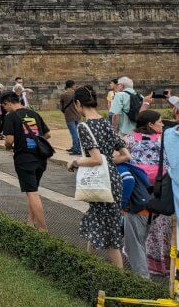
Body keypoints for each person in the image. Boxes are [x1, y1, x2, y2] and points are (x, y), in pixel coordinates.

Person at [66, 85, 131, 268]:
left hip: (101, 182)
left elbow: (94, 159)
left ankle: (120, 276)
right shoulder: (105, 122)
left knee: (109, 231)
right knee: (99, 220)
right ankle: (88, 264)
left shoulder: (84, 126)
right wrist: (108, 163)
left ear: (78, 103)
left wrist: (75, 162)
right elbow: (126, 155)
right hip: (113, 179)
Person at [121, 110, 170, 279]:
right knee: (157, 232)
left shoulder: (128, 139)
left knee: (135, 238)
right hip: (159, 195)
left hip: (136, 195)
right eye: (160, 122)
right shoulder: (165, 141)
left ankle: (142, 278)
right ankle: (160, 266)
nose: (162, 124)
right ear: (150, 124)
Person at [1, 90, 51, 231]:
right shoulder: (34, 113)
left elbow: (9, 140)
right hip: (40, 158)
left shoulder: (11, 116)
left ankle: (42, 228)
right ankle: (30, 221)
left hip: (24, 158)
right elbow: (48, 134)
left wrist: (7, 146)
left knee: (32, 192)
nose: (4, 109)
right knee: (33, 190)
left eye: (4, 106)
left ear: (8, 103)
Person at [59, 80, 81, 155]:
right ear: (72, 86)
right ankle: (76, 147)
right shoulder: (77, 94)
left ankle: (76, 149)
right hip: (77, 115)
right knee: (77, 133)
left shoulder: (63, 95)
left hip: (69, 116)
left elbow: (61, 105)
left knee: (74, 133)